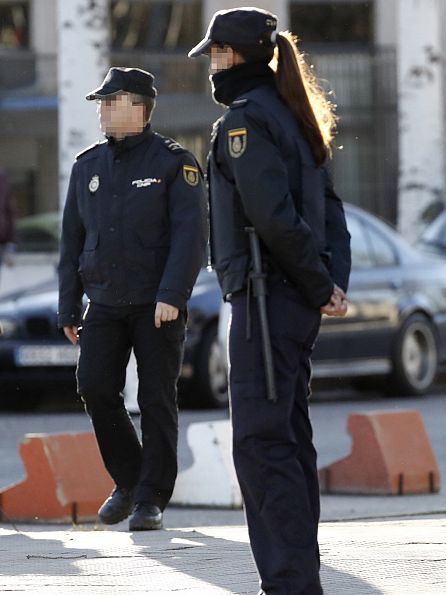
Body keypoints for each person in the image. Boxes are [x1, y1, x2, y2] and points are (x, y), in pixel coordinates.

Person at [189, 7, 351, 594]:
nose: (212, 64)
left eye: (216, 54)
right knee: (288, 442)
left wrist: (316, 283)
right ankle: (296, 580)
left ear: (239, 57)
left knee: (262, 446)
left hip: (264, 300)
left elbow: (274, 218)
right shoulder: (294, 115)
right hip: (290, 303)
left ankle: (289, 585)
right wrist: (331, 282)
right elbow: (333, 215)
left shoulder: (245, 121)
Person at [57, 67, 206, 531]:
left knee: (157, 398)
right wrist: (68, 306)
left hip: (156, 304)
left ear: (137, 106)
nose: (100, 110)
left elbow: (190, 237)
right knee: (95, 386)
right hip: (104, 301)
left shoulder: (173, 162)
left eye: (108, 102)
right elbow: (71, 242)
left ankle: (151, 500)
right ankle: (130, 479)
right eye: (100, 102)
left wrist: (172, 295)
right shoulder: (88, 166)